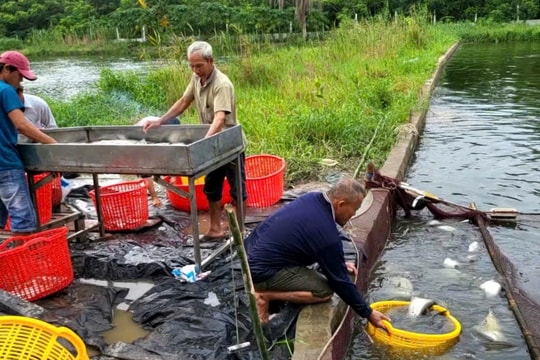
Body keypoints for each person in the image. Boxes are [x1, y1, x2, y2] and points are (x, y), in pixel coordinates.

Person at [245, 176, 390, 331]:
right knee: (324, 291)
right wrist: (368, 313)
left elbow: (315, 244)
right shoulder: (326, 234)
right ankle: (265, 295)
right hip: (260, 272)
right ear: (341, 204)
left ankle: (266, 289)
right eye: (354, 209)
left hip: (247, 253)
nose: (353, 215)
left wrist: (337, 262)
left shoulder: (311, 198)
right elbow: (340, 282)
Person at [143, 41, 247, 240]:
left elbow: (220, 118)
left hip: (229, 143)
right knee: (211, 188)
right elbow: (183, 101)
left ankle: (241, 232)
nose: (195, 70)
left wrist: (203, 143)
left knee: (237, 190)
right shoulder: (196, 79)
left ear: (211, 61)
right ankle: (216, 229)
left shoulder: (222, 84)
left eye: (199, 65)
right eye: (192, 65)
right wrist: (160, 120)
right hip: (212, 144)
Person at [0, 50, 57, 233]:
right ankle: (25, 259)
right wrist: (52, 143)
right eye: (20, 76)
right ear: (8, 69)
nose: (21, 82)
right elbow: (22, 125)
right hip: (5, 163)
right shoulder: (6, 90)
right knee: (24, 221)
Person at [136, 115, 180, 207]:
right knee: (146, 168)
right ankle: (154, 197)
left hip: (156, 139)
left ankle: (169, 193)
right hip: (140, 139)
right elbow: (145, 168)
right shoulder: (149, 131)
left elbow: (174, 154)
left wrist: (174, 176)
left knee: (168, 155)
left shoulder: (173, 130)